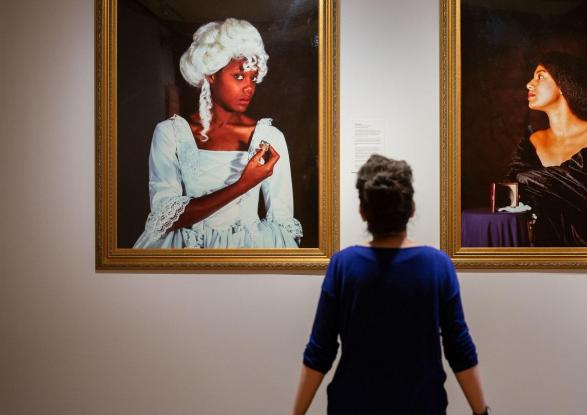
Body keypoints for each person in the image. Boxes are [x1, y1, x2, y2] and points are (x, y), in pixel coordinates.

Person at [292, 155, 489, 415]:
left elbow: (320, 351)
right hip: (422, 406)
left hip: (352, 405)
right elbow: (458, 348)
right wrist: (481, 412)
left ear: (363, 212)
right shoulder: (437, 265)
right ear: (411, 210)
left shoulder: (343, 265)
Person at [133, 18, 302, 248]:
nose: (249, 86)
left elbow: (282, 222)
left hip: (250, 248)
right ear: (211, 74)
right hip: (185, 248)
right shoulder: (170, 133)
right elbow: (165, 218)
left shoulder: (270, 138)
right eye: (239, 76)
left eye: (253, 77)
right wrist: (243, 184)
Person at [506, 51, 587, 246]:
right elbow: (510, 196)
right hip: (537, 254)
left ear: (564, 84)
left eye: (540, 76)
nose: (529, 84)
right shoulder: (534, 141)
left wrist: (530, 178)